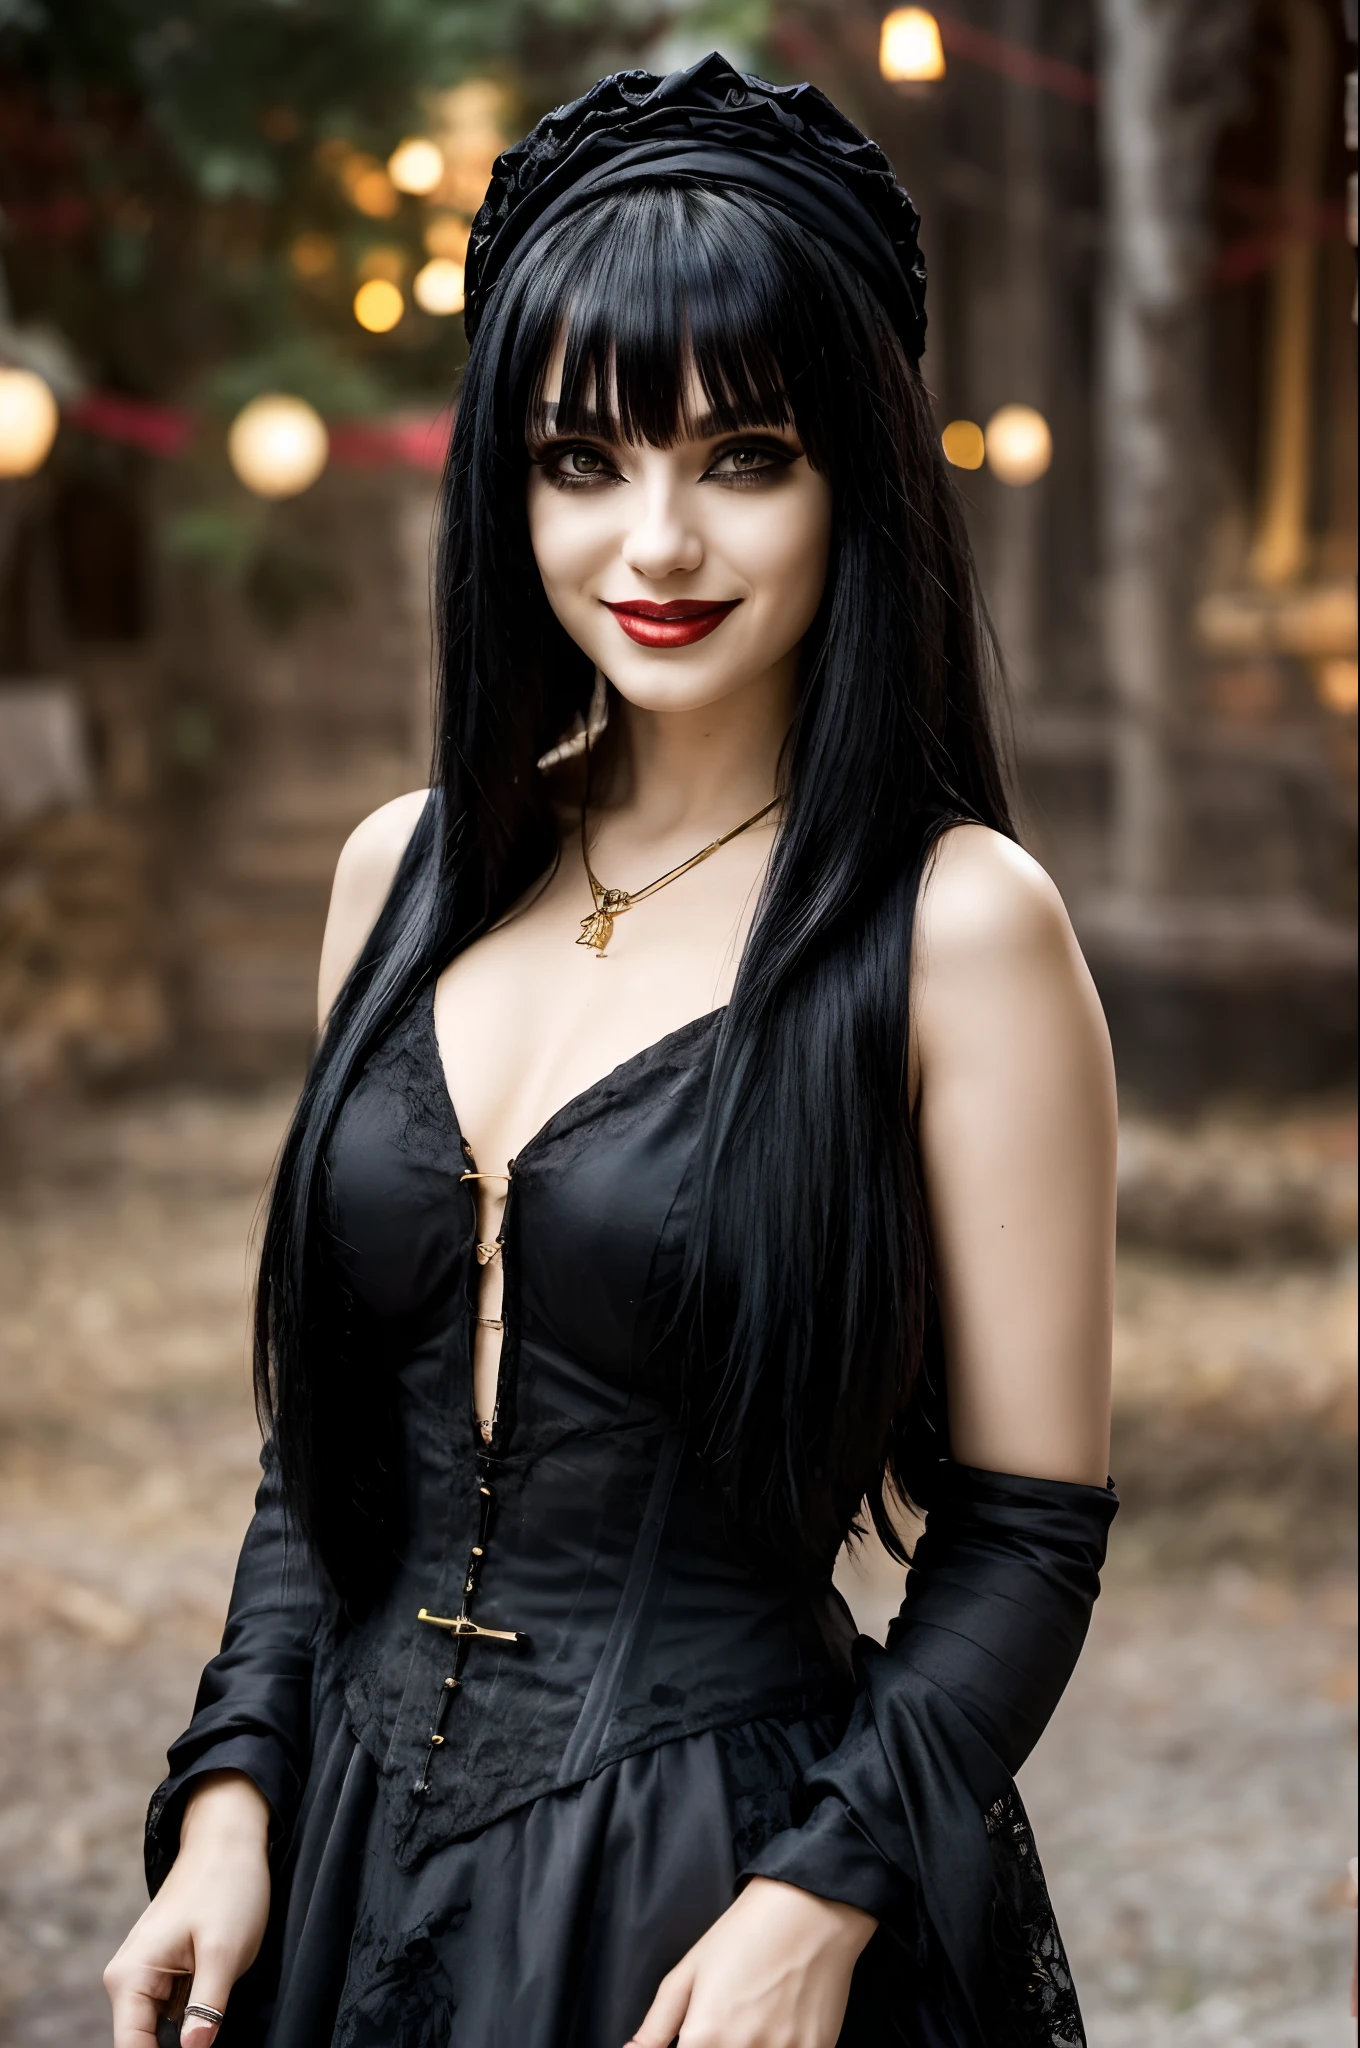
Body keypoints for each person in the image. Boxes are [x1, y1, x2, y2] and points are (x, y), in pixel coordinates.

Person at [104, 54, 1118, 2048]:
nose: (654, 539)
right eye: (584, 459)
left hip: (712, 1910)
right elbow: (330, 1467)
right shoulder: (396, 874)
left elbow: (1026, 1532)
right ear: (507, 483)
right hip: (344, 1890)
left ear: (853, 479)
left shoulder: (957, 928)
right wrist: (230, 1795)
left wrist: (816, 1899)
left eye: (741, 453)